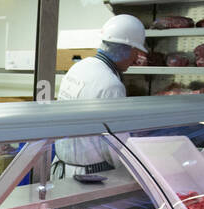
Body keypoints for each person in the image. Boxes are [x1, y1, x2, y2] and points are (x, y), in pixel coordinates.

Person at [54, 13, 148, 173]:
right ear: (127, 49)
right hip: (90, 175)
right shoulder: (111, 85)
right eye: (136, 52)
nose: (135, 59)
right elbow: (117, 143)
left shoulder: (79, 67)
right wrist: (136, 170)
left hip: (61, 168)